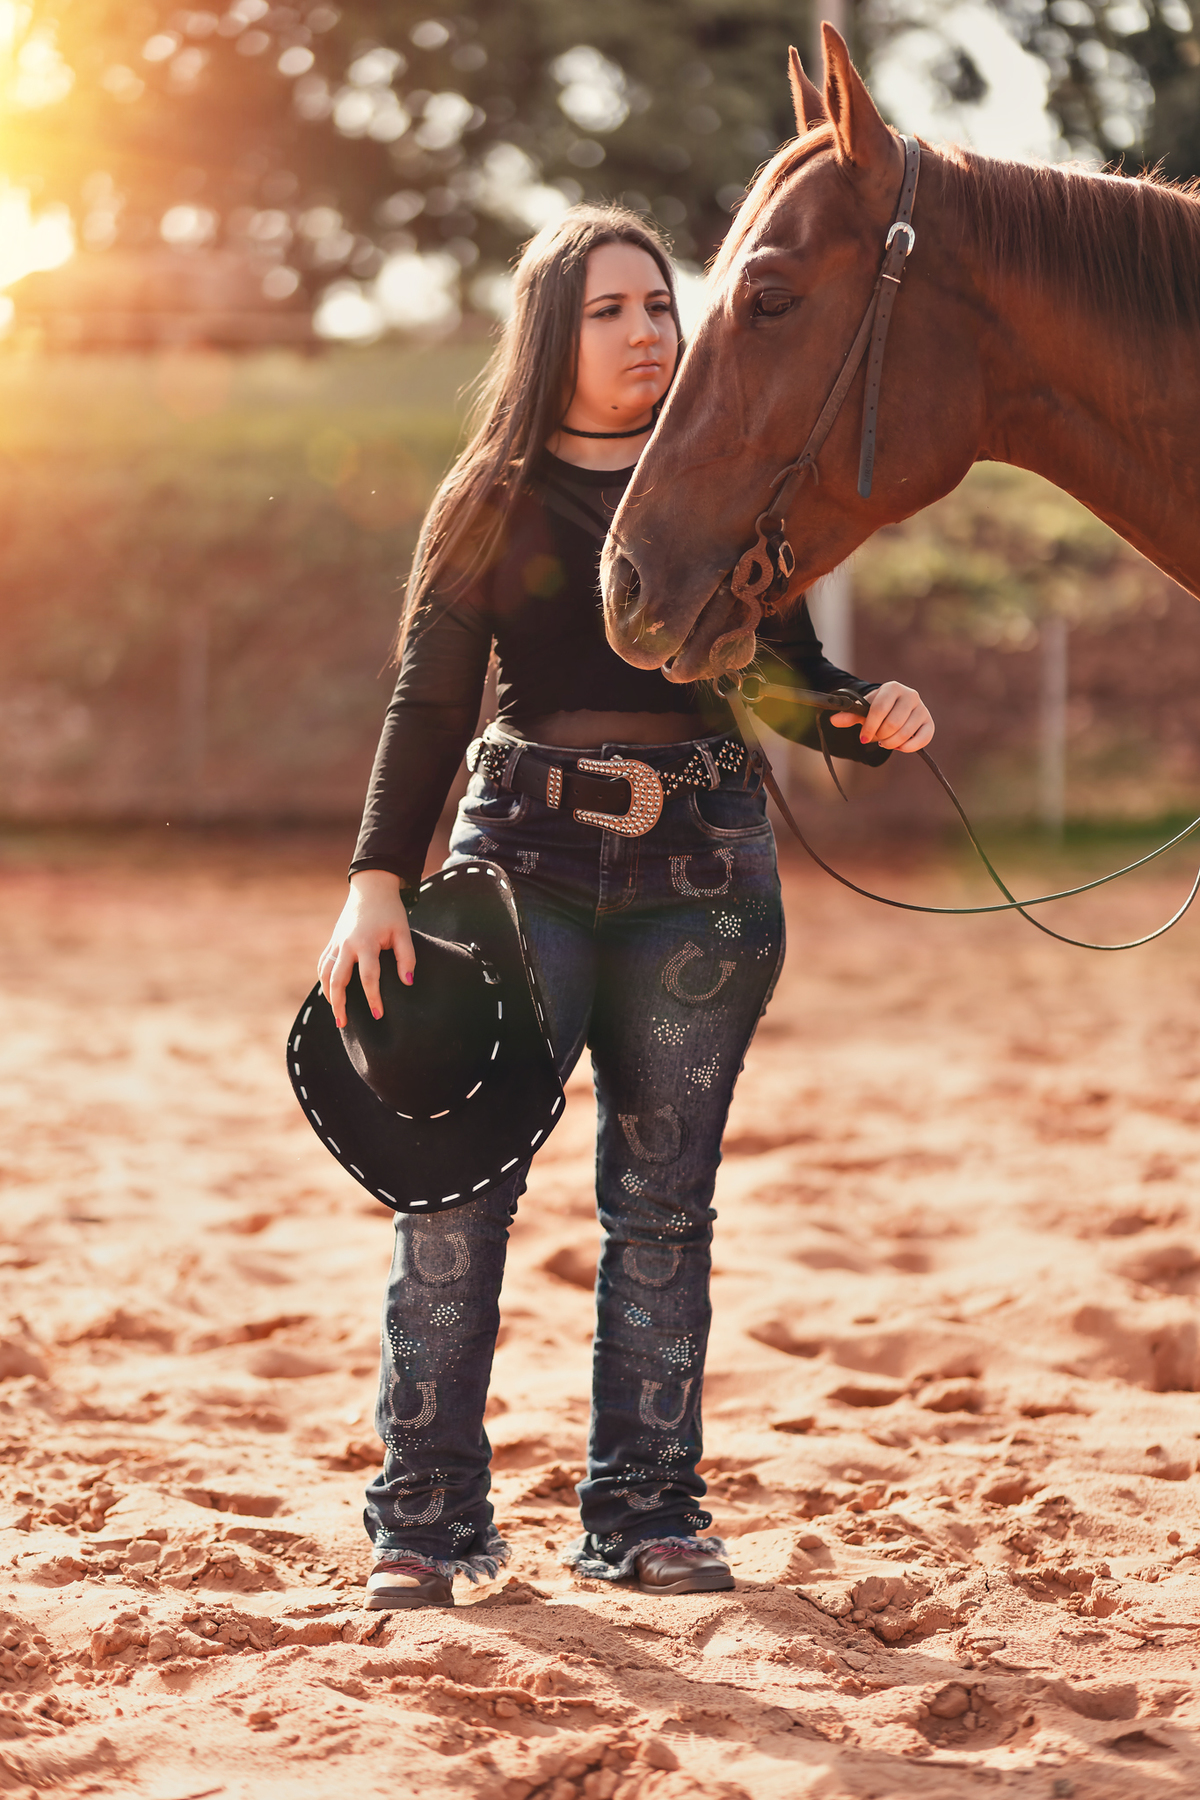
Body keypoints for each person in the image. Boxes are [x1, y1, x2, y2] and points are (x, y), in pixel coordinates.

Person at [318, 204, 935, 1610]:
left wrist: (859, 718)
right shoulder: (491, 494)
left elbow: (779, 680)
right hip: (518, 863)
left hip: (703, 881)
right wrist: (372, 881)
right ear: (553, 332)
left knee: (663, 1209)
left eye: (661, 306)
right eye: (611, 310)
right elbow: (429, 698)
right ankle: (426, 1520)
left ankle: (646, 1514)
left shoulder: (731, 483)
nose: (649, 331)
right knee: (459, 1200)